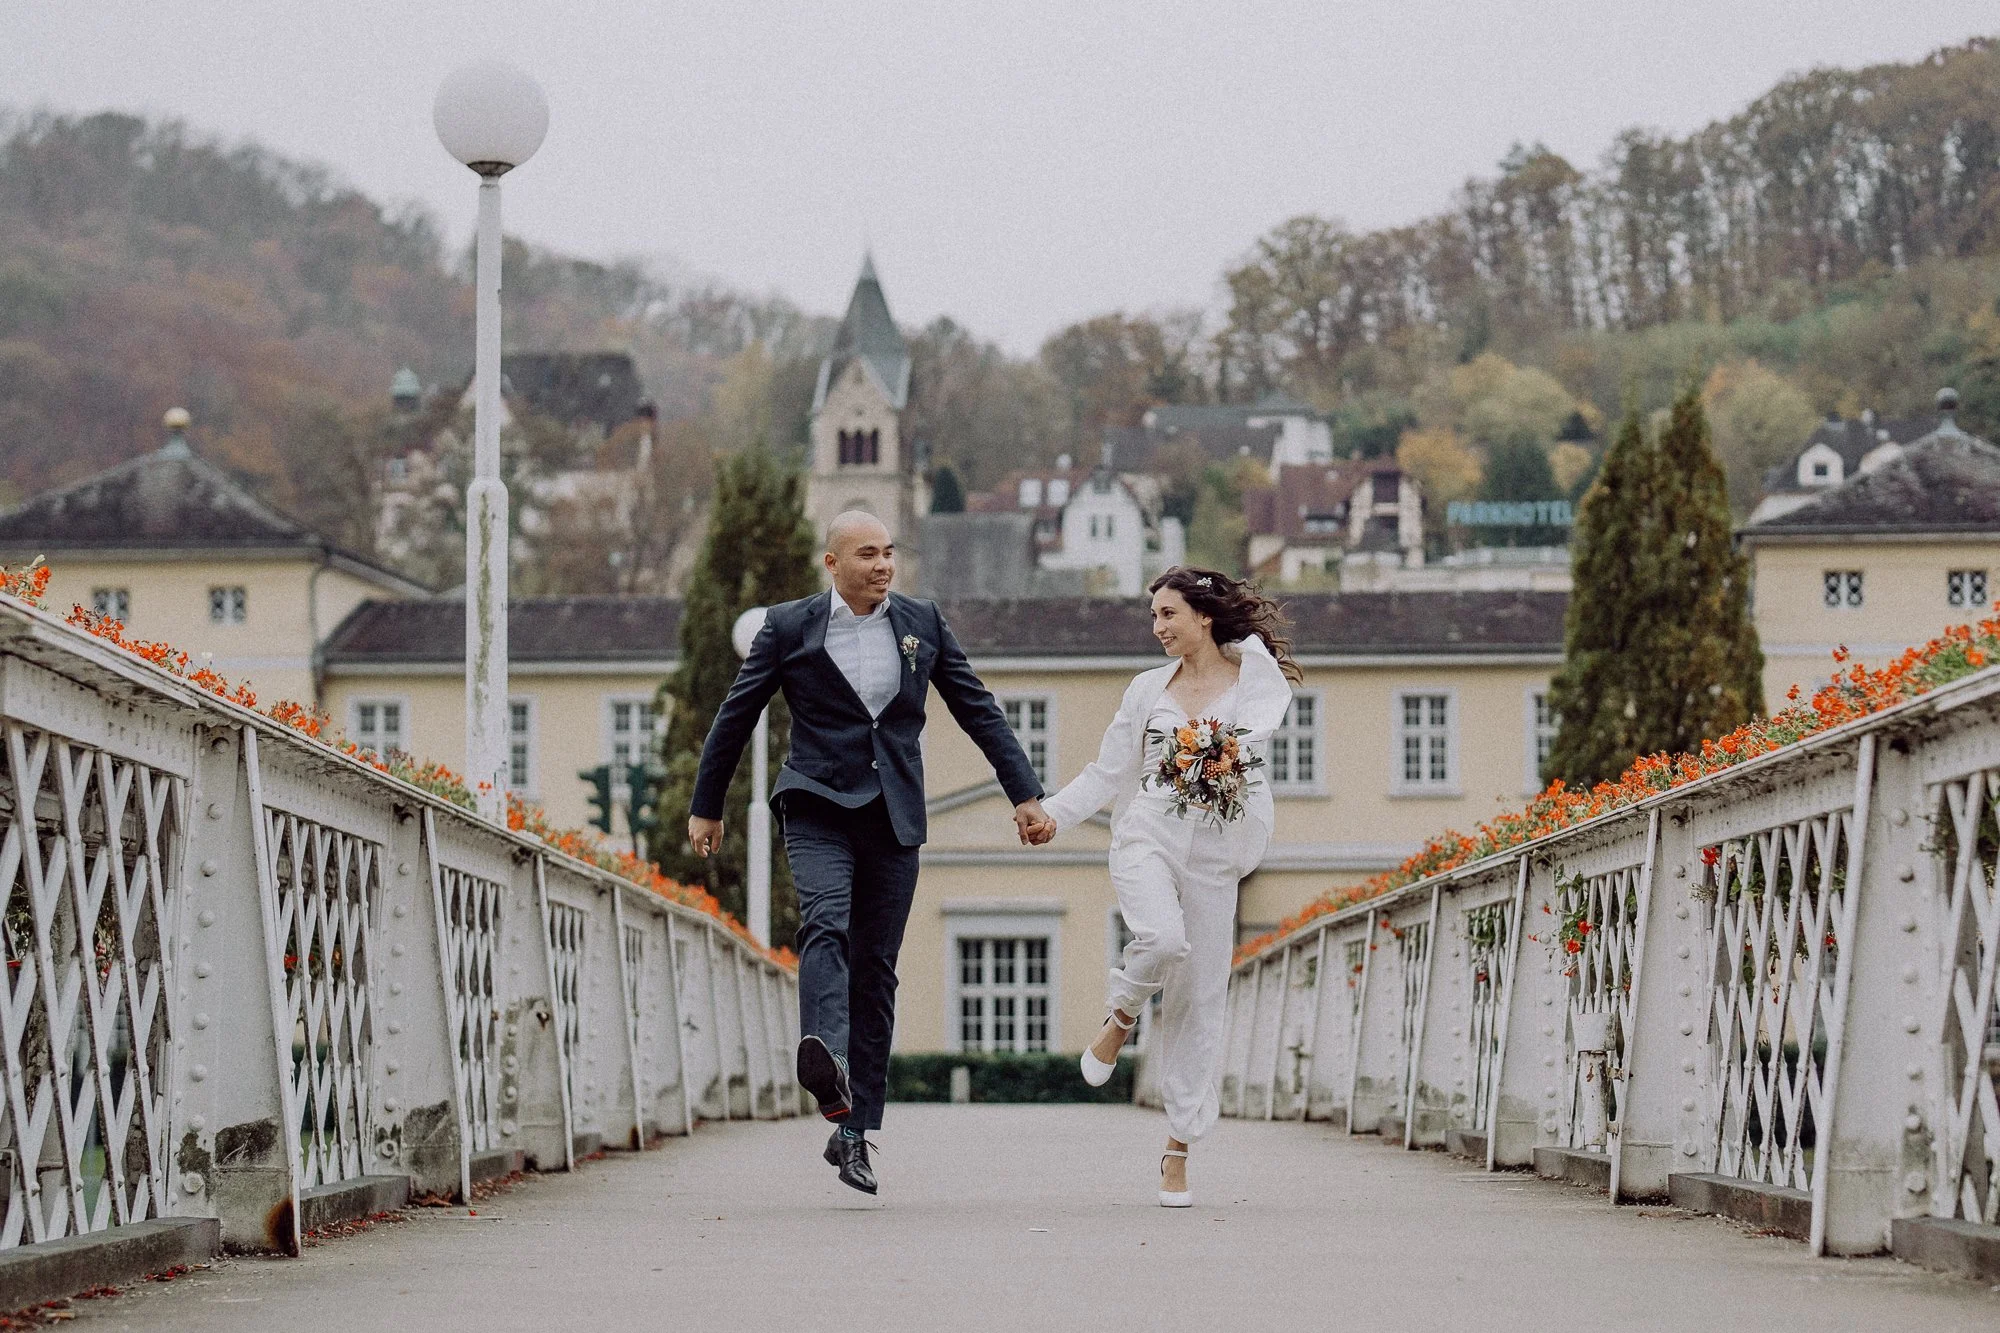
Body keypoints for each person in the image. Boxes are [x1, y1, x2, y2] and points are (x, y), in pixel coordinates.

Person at [687, 510, 1049, 1196]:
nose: (882, 565)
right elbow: (736, 714)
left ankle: (854, 1134)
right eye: (866, 554)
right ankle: (821, 1052)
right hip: (817, 804)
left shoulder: (922, 621)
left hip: (894, 816)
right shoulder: (790, 627)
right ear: (832, 563)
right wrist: (707, 804)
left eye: (888, 552)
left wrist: (1024, 793)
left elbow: (978, 708)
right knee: (827, 921)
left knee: (877, 971)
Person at [1025, 566, 1299, 1207]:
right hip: (1147, 836)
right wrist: (1054, 815)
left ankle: (1178, 1150)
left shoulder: (1251, 683)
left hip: (1214, 850)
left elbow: (1253, 756)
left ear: (1203, 616)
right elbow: (1107, 770)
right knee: (1162, 940)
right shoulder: (1147, 690)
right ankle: (1120, 1016)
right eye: (1154, 617)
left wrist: (1221, 759)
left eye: (1168, 615)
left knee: (1201, 999)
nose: (1158, 629)